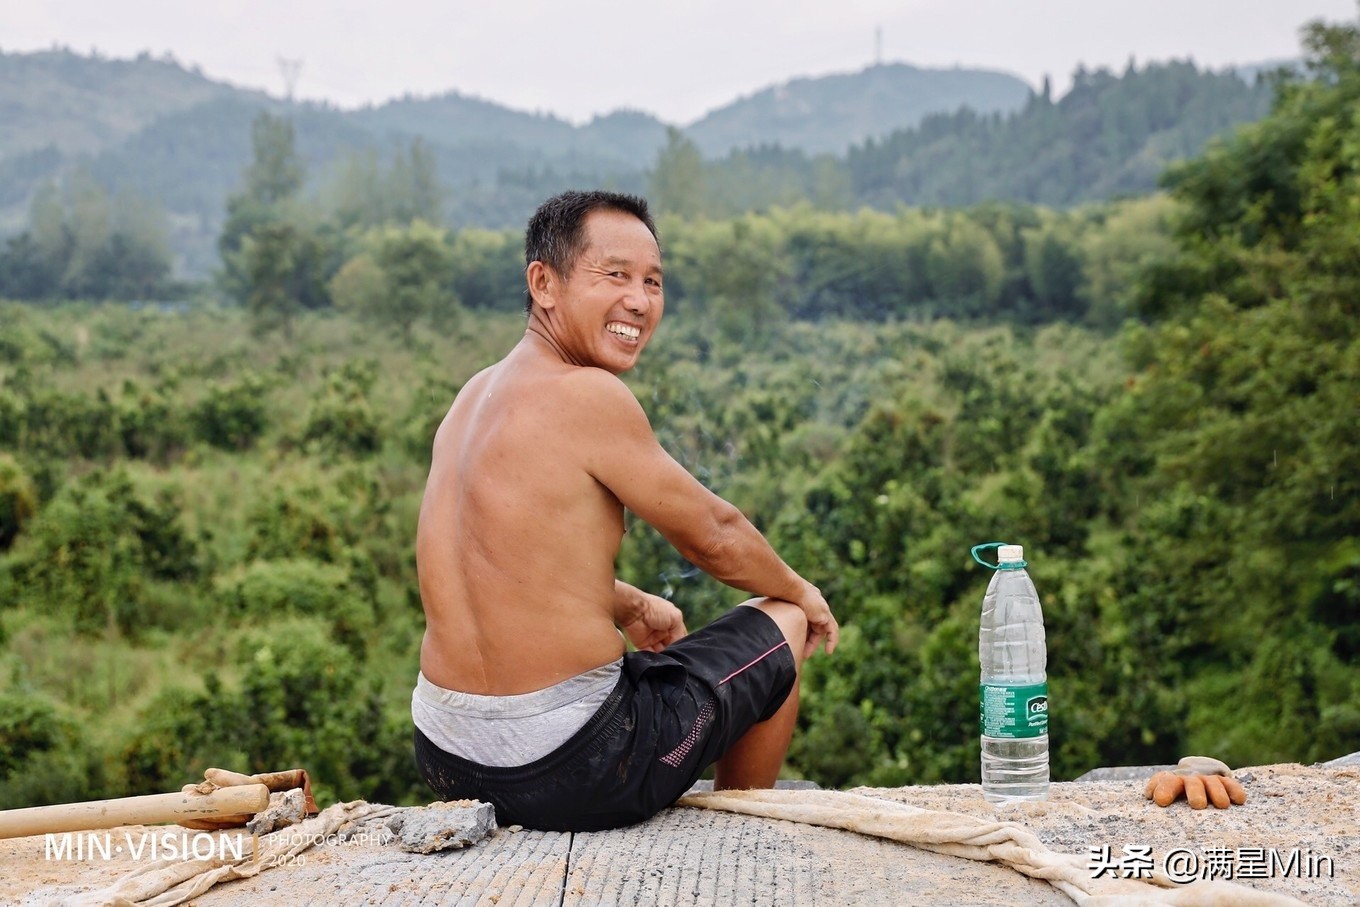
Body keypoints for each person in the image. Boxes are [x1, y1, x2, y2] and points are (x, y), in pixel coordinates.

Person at [411, 189, 837, 832]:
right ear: (543, 283)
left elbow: (499, 562)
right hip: (573, 765)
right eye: (614, 276)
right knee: (777, 618)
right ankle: (740, 827)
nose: (639, 301)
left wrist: (632, 605)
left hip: (447, 755)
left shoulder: (472, 396)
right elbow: (714, 537)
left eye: (653, 281)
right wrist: (802, 592)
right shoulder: (587, 394)